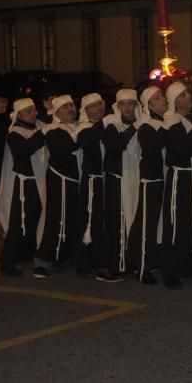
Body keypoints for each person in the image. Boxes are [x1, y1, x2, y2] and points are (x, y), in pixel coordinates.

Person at [73, 93, 123, 282]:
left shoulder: (107, 126)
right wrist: (102, 125)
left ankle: (102, 261)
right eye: (93, 106)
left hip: (105, 181)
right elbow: (85, 141)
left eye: (101, 104)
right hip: (93, 181)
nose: (99, 108)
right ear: (85, 110)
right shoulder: (84, 128)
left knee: (103, 222)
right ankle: (84, 263)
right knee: (89, 221)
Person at [159, 82, 192, 290]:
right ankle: (171, 270)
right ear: (175, 101)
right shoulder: (172, 121)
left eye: (188, 93)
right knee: (177, 223)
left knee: (191, 221)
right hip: (180, 177)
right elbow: (185, 148)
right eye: (183, 95)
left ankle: (189, 262)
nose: (189, 97)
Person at [0, 98, 46, 276]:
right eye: (28, 112)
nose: (33, 114)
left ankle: (27, 253)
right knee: (19, 223)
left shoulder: (38, 126)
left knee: (34, 220)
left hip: (38, 182)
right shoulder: (15, 133)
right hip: (25, 184)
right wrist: (43, 133)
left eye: (34, 110)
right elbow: (25, 150)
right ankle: (8, 261)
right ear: (19, 115)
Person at [34, 95, 81, 278]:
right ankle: (43, 260)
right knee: (56, 220)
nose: (70, 109)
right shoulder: (52, 129)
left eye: (72, 105)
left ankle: (66, 254)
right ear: (57, 112)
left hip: (76, 180)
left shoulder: (79, 125)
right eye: (65, 107)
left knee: (73, 219)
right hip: (60, 179)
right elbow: (61, 150)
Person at [126, 86, 167, 285]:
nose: (163, 100)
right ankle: (142, 267)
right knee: (146, 224)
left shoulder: (161, 121)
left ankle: (152, 259)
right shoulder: (147, 125)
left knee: (154, 224)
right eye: (157, 98)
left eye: (162, 97)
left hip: (161, 179)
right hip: (150, 180)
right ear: (149, 104)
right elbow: (152, 150)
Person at [101, 89, 140, 278]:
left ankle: (131, 261)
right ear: (117, 107)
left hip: (134, 179)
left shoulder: (141, 123)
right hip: (116, 181)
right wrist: (133, 128)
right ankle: (116, 266)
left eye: (130, 103)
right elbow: (115, 145)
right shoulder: (111, 124)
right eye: (123, 104)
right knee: (117, 223)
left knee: (133, 220)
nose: (127, 108)